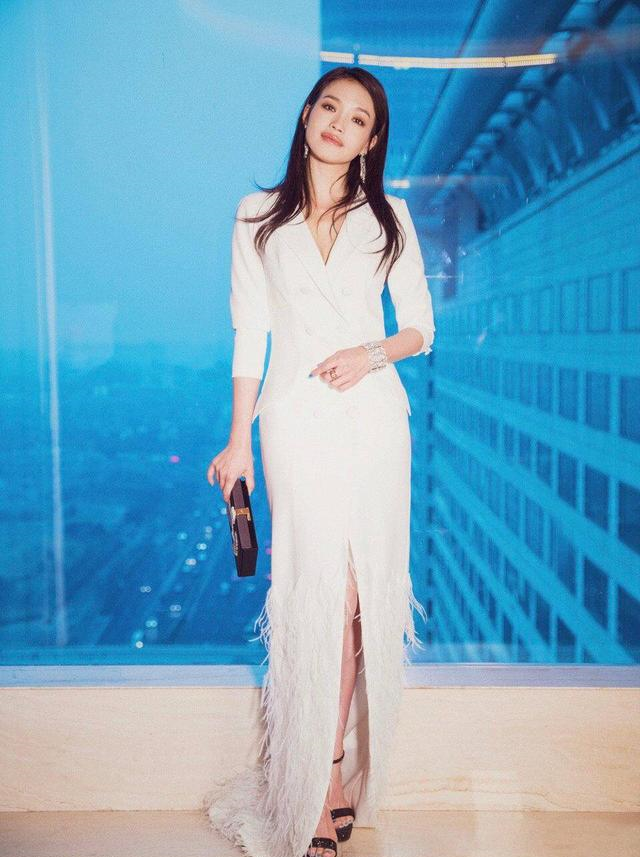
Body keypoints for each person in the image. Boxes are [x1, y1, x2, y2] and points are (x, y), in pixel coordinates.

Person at [203, 66, 435, 857]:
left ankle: (331, 767)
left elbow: (420, 327)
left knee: (363, 596)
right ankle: (314, 780)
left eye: (358, 117)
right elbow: (250, 331)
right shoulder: (256, 215)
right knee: (317, 593)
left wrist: (369, 353)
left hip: (375, 418)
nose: (339, 122)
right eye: (329, 106)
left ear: (372, 140)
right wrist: (238, 439)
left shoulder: (390, 217)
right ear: (307, 116)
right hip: (295, 418)